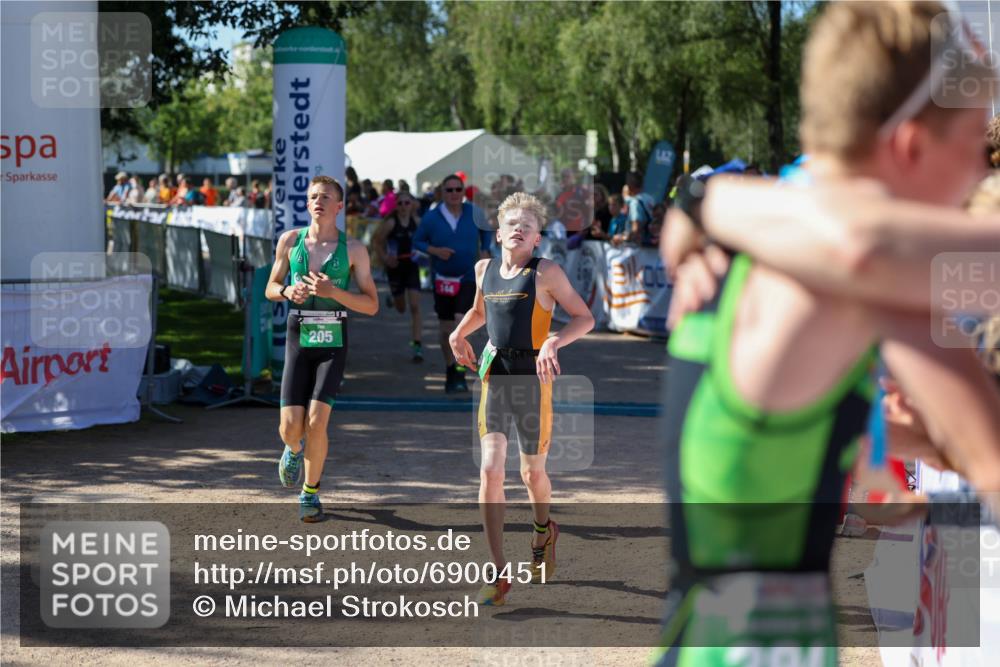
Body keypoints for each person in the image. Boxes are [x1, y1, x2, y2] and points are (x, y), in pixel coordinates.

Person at [654, 3, 1000, 665]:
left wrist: (705, 200)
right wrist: (707, 202)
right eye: (974, 146)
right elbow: (864, 244)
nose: (982, 176)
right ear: (909, 146)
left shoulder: (792, 257)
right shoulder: (829, 281)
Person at [449, 192, 594, 606]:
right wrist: (459, 333)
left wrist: (554, 340)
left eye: (527, 227)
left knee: (532, 476)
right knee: (491, 470)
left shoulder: (546, 273)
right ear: (498, 233)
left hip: (534, 378)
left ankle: (543, 528)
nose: (519, 230)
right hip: (495, 375)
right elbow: (481, 312)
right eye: (512, 224)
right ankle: (496, 573)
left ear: (536, 239)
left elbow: (585, 318)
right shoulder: (483, 270)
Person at [265, 175, 379, 522]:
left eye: (326, 197)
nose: (318, 201)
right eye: (313, 196)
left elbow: (372, 304)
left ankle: (310, 493)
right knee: (290, 427)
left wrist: (335, 293)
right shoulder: (290, 241)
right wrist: (287, 292)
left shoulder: (354, 250)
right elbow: (271, 286)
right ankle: (292, 450)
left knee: (317, 421)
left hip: (333, 339)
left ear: (339, 206)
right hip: (299, 336)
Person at [413, 174, 492, 393]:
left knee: (461, 322)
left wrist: (485, 250)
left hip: (468, 276)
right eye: (449, 190)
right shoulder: (432, 217)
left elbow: (487, 230)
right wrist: (435, 251)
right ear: (442, 192)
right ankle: (450, 368)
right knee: (446, 327)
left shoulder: (474, 212)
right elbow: (417, 240)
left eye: (458, 189)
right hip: (443, 278)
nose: (455, 194)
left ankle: (460, 370)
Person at [373, 191, 424, 362]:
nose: (403, 206)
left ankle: (417, 346)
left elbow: (426, 240)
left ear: (412, 205)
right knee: (401, 308)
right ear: (396, 205)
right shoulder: (391, 223)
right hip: (395, 268)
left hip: (411, 266)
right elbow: (376, 241)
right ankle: (393, 299)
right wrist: (385, 257)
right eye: (400, 203)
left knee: (415, 307)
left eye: (407, 203)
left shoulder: (416, 222)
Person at [624, 171, 655, 245]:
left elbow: (636, 228)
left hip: (638, 246)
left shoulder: (634, 203)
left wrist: (623, 238)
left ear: (629, 186)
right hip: (650, 243)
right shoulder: (650, 199)